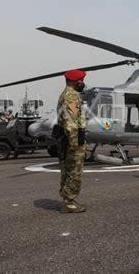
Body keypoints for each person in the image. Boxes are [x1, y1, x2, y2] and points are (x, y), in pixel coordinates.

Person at [56, 69, 88, 213]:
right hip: (72, 139)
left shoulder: (64, 95)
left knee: (67, 171)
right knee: (74, 171)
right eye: (81, 81)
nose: (82, 84)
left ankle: (67, 199)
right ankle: (69, 202)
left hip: (65, 138)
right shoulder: (71, 96)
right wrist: (74, 143)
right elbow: (71, 122)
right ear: (75, 82)